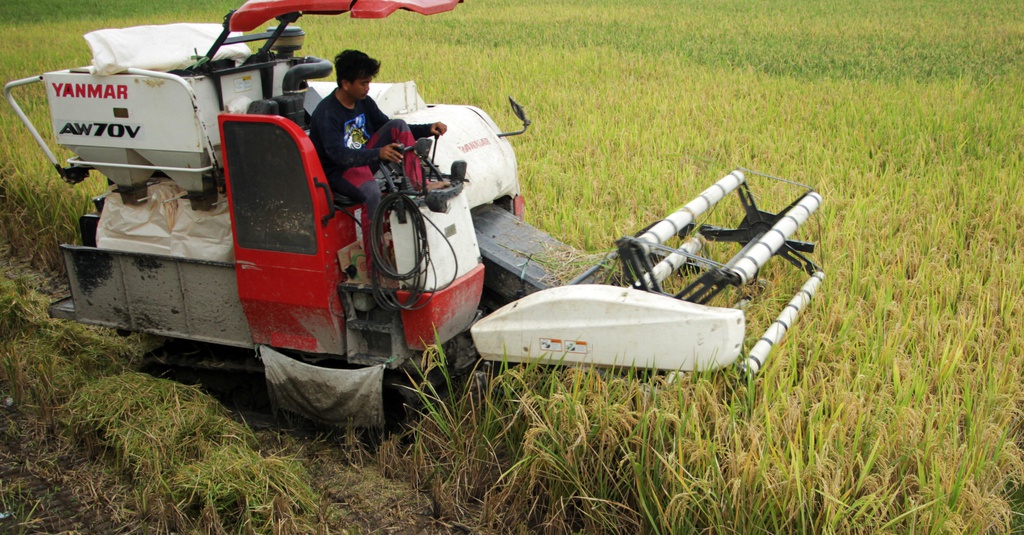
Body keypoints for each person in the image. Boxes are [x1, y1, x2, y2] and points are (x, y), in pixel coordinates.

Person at [308, 50, 447, 225]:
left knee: (398, 124)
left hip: (363, 158)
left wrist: (428, 128)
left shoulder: (364, 101)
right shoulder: (327, 113)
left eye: (369, 83)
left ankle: (418, 183)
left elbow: (386, 125)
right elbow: (338, 155)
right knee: (372, 193)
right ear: (346, 84)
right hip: (340, 171)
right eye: (363, 83)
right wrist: (378, 154)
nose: (368, 88)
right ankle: (373, 250)